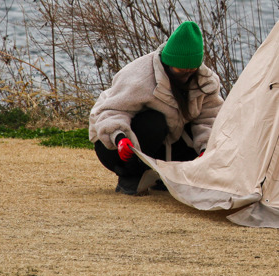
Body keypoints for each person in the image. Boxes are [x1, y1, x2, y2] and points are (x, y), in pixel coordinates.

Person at [88, 21, 223, 195]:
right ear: (168, 63)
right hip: (113, 144)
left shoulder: (206, 82)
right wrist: (119, 137)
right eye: (181, 70)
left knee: (198, 135)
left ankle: (164, 178)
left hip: (167, 142)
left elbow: (209, 119)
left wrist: (206, 149)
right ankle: (130, 177)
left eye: (191, 70)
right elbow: (111, 111)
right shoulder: (139, 77)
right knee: (154, 121)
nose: (187, 75)